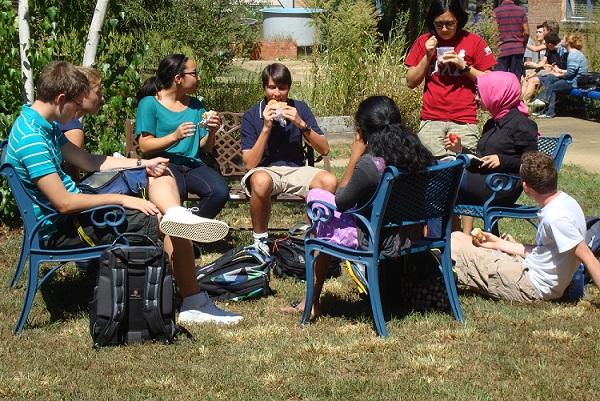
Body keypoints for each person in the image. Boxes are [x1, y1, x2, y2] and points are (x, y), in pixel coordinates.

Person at [6, 61, 241, 325]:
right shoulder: (33, 139)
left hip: (77, 214)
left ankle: (177, 212)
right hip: (66, 229)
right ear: (61, 99)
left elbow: (88, 162)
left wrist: (143, 163)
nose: (77, 113)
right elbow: (64, 203)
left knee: (159, 174)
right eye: (75, 105)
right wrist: (122, 199)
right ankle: (194, 303)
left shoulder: (39, 124)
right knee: (164, 224)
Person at [283, 95, 435, 318]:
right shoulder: (417, 153)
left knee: (320, 209)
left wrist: (355, 155)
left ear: (364, 130)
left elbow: (342, 201)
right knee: (324, 213)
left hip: (377, 237)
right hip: (410, 233)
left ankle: (312, 301)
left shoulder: (372, 164)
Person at [451, 151, 600, 302]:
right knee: (457, 237)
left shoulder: (556, 218)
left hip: (533, 285)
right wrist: (497, 243)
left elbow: (589, 259)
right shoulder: (565, 201)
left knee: (452, 246)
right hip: (529, 267)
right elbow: (544, 252)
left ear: (525, 186)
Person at [240, 63, 337, 254]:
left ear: (289, 88)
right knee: (260, 180)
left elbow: (324, 149)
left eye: (282, 88)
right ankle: (260, 240)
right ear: (264, 88)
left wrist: (301, 123)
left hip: (296, 170)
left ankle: (308, 235)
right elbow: (249, 164)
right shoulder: (252, 115)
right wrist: (266, 127)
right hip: (265, 170)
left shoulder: (300, 108)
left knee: (329, 180)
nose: (276, 94)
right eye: (271, 87)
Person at [135, 54, 230, 224]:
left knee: (220, 192)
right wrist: (175, 136)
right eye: (194, 73)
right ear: (178, 78)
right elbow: (145, 146)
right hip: (164, 164)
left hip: (193, 164)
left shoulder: (196, 105)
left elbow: (204, 148)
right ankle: (177, 237)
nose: (198, 77)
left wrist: (212, 131)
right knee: (173, 197)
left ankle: (187, 231)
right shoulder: (150, 103)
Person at [446, 71, 538, 234]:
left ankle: (434, 240)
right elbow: (482, 160)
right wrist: (461, 150)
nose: (475, 98)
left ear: (497, 94)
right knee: (440, 172)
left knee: (440, 179)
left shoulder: (522, 125)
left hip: (501, 186)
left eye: (480, 93)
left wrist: (503, 160)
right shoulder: (492, 123)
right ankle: (443, 239)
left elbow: (533, 164)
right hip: (485, 180)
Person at [405, 0, 496, 159]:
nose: (444, 29)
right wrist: (428, 55)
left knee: (463, 167)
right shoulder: (424, 42)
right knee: (431, 168)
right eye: (439, 24)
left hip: (463, 119)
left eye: (450, 23)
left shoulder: (473, 41)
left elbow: (490, 81)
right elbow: (411, 82)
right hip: (431, 119)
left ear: (458, 20)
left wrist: (463, 66)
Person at [58, 66, 104, 181]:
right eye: (97, 92)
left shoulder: (55, 121)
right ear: (82, 93)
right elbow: (72, 177)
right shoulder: (73, 130)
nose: (102, 98)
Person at [530, 33, 588, 119]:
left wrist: (558, 74)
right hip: (570, 79)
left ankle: (541, 108)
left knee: (552, 86)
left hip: (574, 82)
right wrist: (559, 71)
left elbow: (570, 73)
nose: (561, 41)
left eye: (564, 40)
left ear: (568, 43)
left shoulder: (573, 55)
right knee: (550, 79)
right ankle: (544, 110)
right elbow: (570, 71)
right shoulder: (571, 52)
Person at [521, 32, 566, 102]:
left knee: (533, 81)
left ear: (550, 44)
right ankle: (520, 101)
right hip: (551, 73)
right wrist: (532, 74)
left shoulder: (562, 51)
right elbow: (542, 63)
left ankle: (524, 102)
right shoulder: (549, 50)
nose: (544, 45)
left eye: (545, 44)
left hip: (559, 75)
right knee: (527, 79)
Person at [493, 0, 529, 79]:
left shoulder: (496, 12)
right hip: (517, 49)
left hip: (501, 50)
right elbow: (526, 32)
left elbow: (493, 33)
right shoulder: (521, 11)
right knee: (515, 79)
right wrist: (523, 45)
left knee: (500, 79)